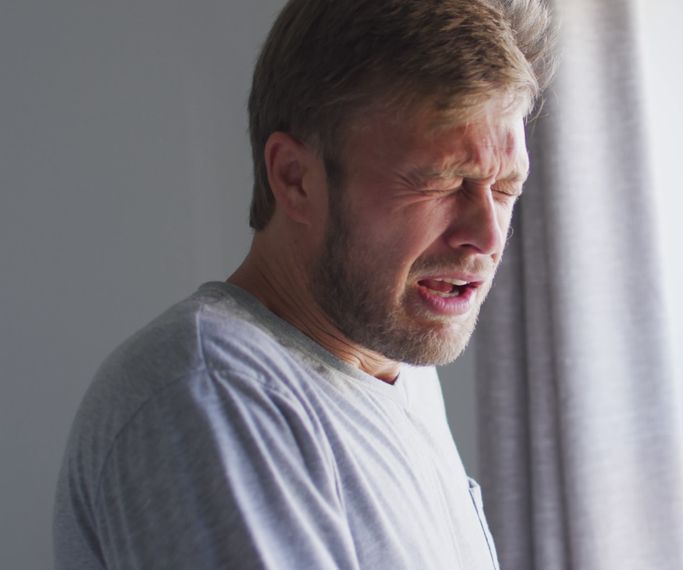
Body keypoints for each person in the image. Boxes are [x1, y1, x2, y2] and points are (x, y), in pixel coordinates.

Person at [52, 1, 556, 568]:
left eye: (506, 189)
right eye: (440, 182)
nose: (486, 235)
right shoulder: (213, 391)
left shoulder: (398, 366)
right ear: (295, 178)